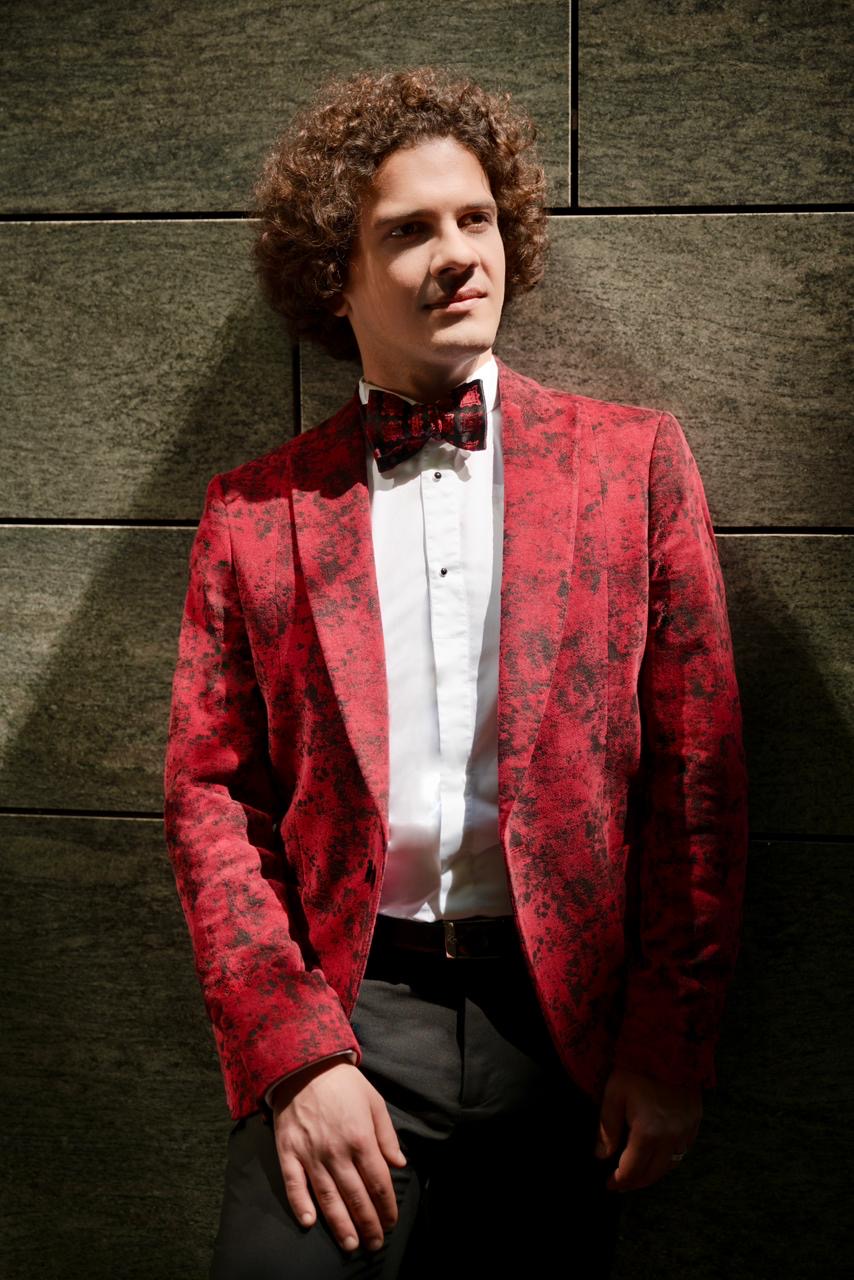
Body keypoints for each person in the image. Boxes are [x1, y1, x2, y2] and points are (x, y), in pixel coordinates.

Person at [164, 66, 748, 1279]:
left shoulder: (631, 464)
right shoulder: (253, 511)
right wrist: (293, 1051)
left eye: (474, 218)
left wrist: (667, 1045)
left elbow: (699, 779)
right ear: (335, 275)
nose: (457, 255)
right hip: (347, 1011)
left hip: (565, 1029)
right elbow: (209, 799)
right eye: (409, 230)